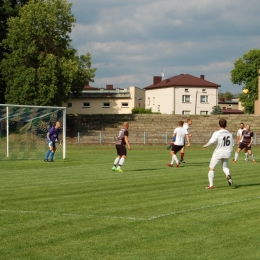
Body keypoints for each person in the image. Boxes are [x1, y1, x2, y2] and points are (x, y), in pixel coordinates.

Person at [203, 119, 234, 189]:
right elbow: (233, 144)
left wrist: (206, 145)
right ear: (226, 125)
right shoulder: (230, 134)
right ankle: (228, 174)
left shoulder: (217, 133)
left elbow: (211, 141)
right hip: (227, 152)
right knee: (225, 167)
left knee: (211, 168)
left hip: (219, 152)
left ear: (218, 125)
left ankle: (211, 185)